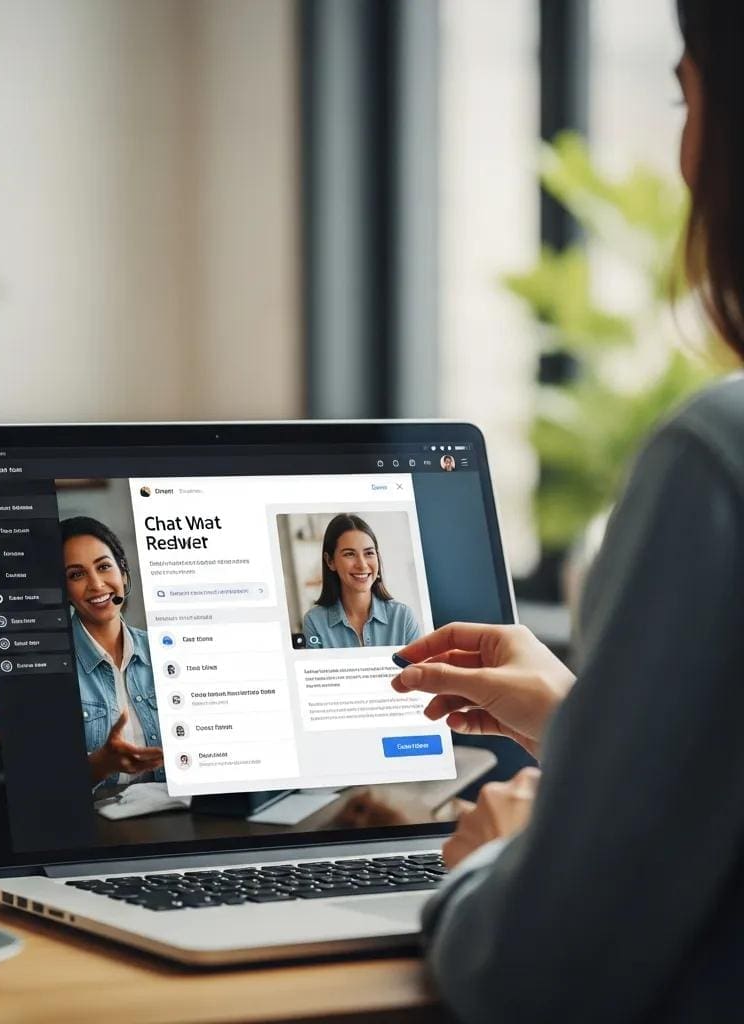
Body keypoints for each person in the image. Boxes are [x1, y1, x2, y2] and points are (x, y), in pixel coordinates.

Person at [389, 2, 744, 1017]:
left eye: (682, 99)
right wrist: (593, 729)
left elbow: (535, 978)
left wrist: (493, 859)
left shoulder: (716, 454)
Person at [61, 516, 164, 789]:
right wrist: (101, 764)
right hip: (98, 813)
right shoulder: (53, 667)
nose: (96, 584)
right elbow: (47, 782)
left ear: (123, 573)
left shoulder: (163, 651)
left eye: (104, 566)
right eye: (76, 574)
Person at [301, 513, 421, 649]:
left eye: (369, 553)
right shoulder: (314, 621)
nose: (362, 565)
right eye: (349, 554)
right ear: (330, 561)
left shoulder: (403, 618)